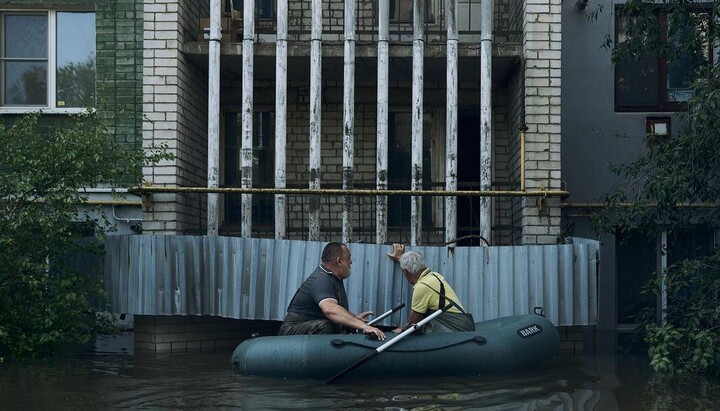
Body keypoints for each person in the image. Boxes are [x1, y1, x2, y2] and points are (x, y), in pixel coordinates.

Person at [279, 242, 386, 340]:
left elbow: (335, 310)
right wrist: (365, 327)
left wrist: (354, 318)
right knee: (326, 327)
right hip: (290, 334)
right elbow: (330, 309)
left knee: (339, 325)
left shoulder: (333, 278)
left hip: (307, 329)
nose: (351, 262)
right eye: (348, 258)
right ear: (339, 261)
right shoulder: (321, 279)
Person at [387, 244, 475, 333]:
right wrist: (400, 258)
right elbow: (411, 267)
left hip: (454, 328)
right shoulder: (434, 275)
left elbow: (413, 322)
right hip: (463, 323)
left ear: (405, 271)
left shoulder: (422, 286)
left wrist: (400, 329)